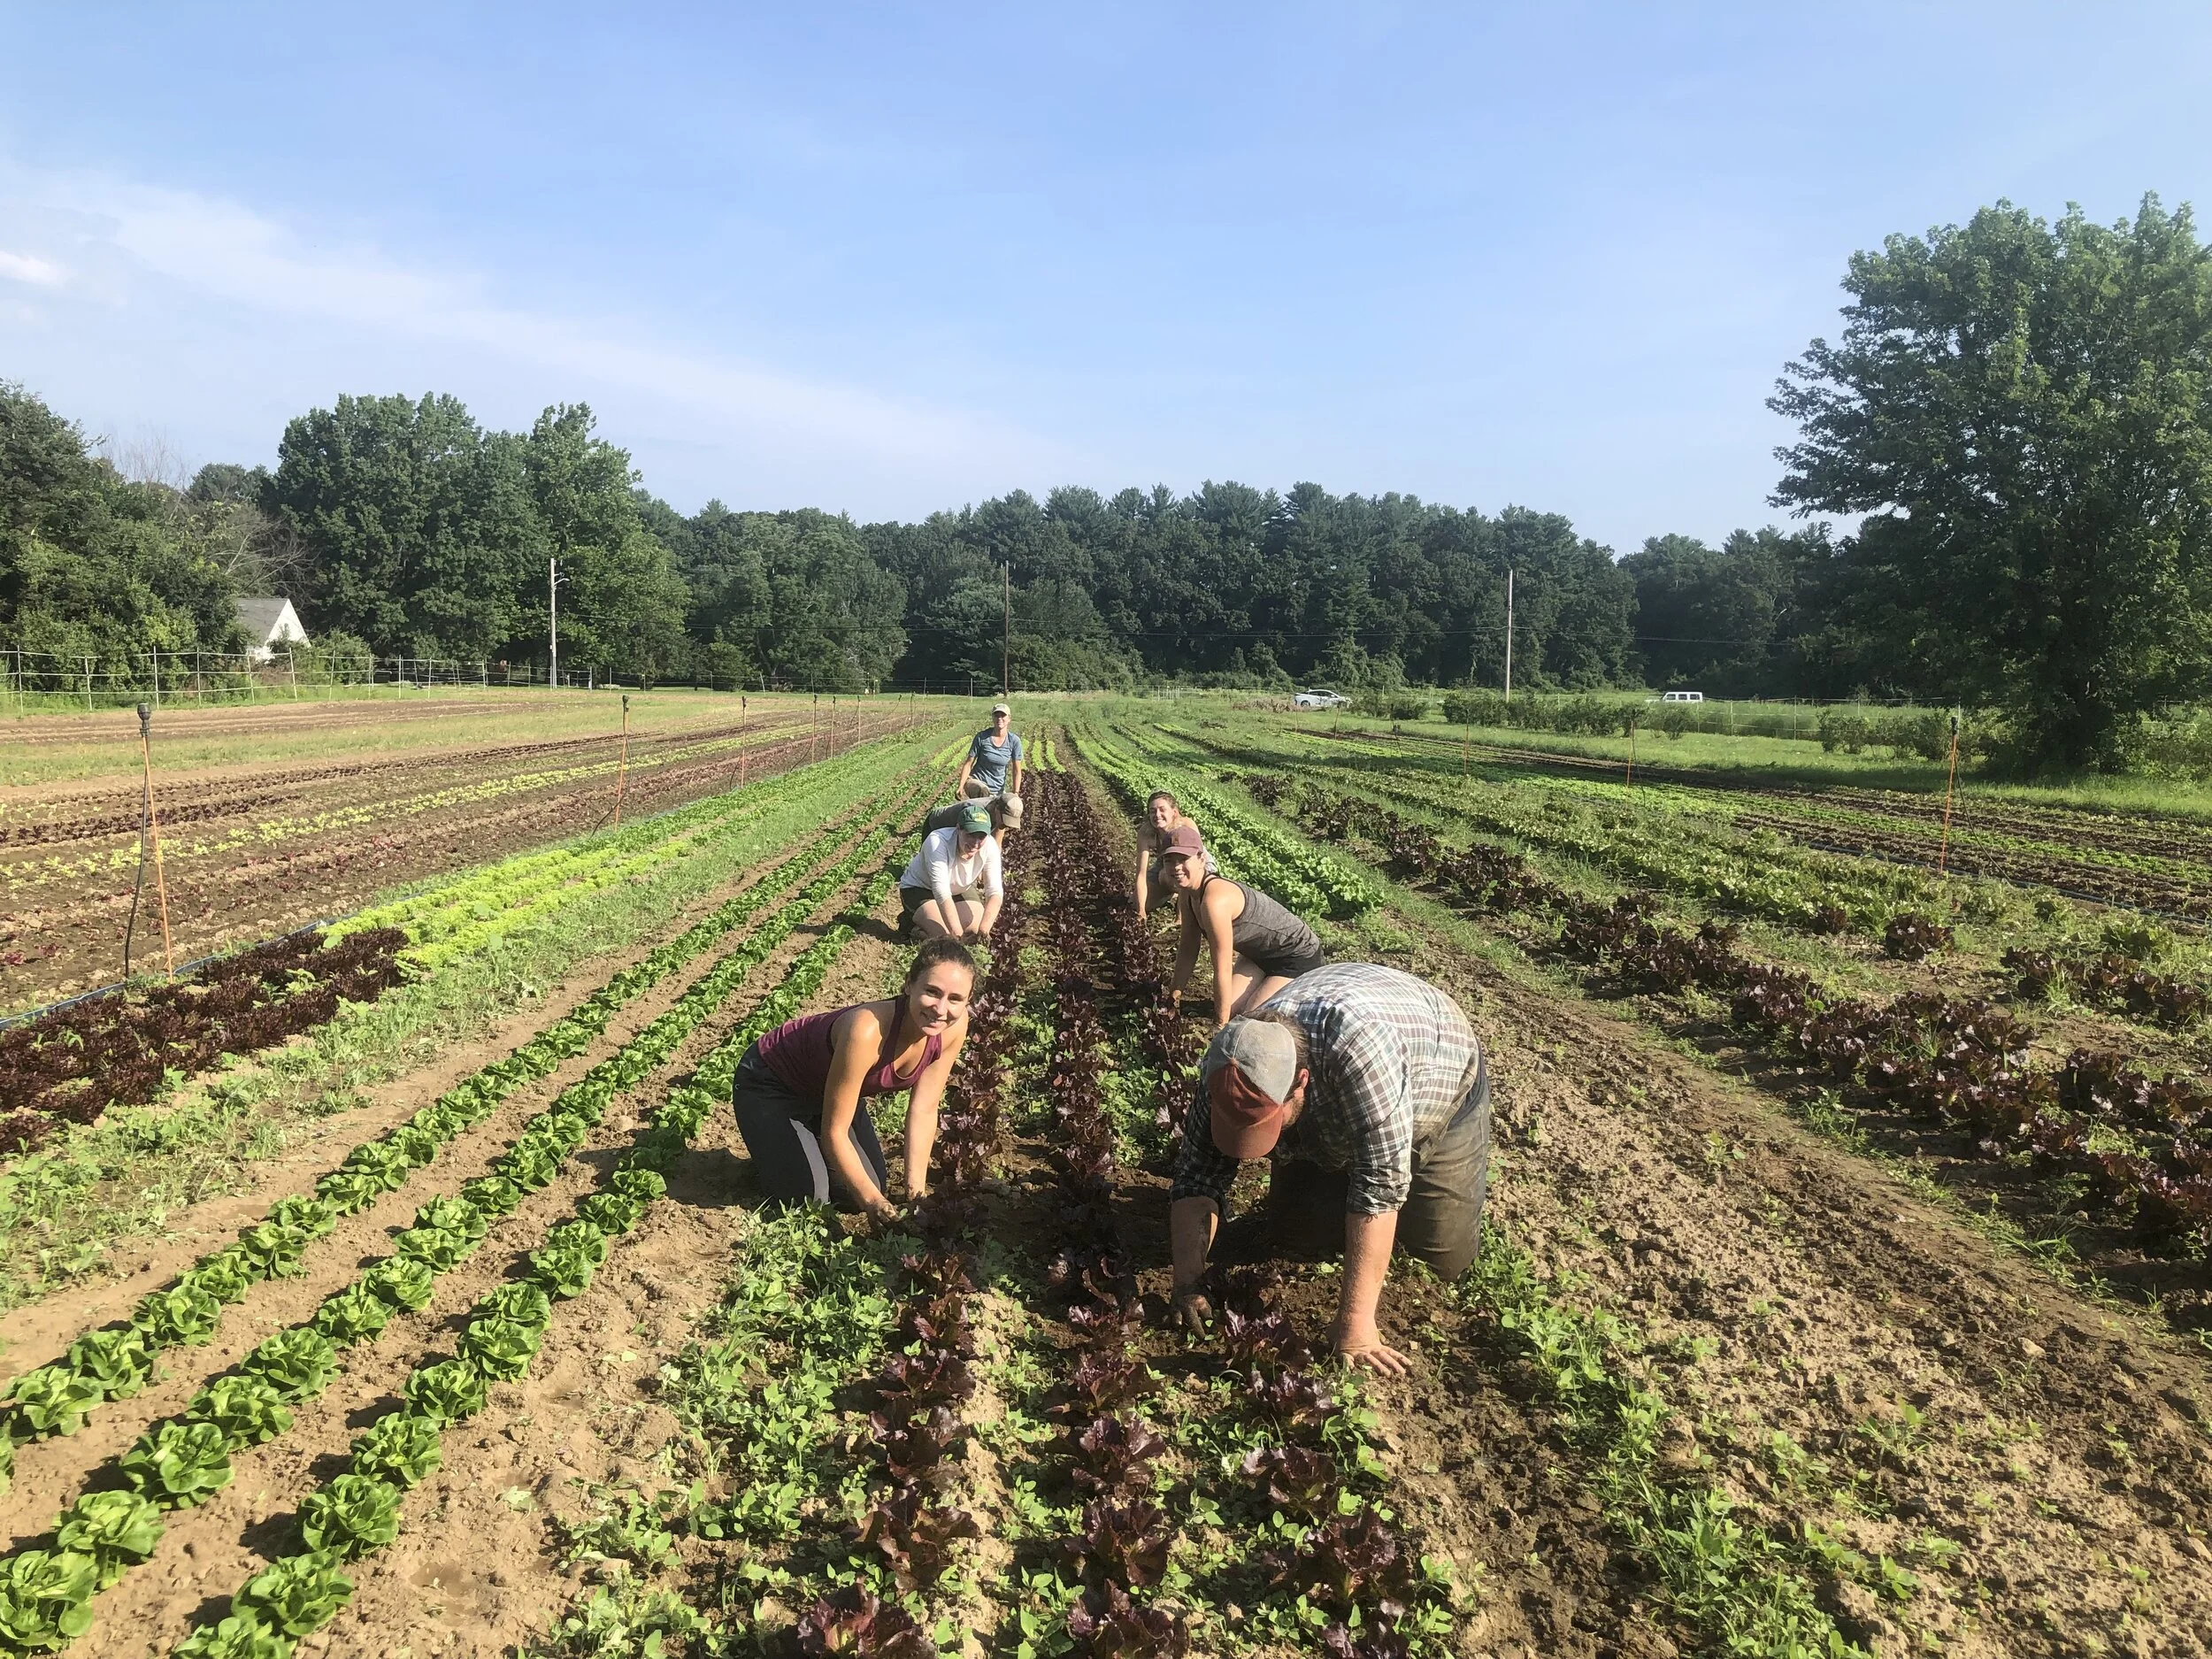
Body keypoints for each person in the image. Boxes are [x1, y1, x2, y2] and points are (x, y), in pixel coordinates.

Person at [1167, 964, 1491, 1376]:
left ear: (1300, 1082)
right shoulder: (1228, 1063)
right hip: (1331, 1110)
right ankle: (1332, 1169)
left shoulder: (1361, 1055)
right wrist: (1187, 1284)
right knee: (1296, 1238)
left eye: (1263, 1122)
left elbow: (1379, 1188)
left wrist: (1355, 1329)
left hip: (1439, 1076)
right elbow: (1198, 1176)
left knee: (1441, 1261)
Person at [731, 938, 976, 1217]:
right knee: (809, 1200)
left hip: (828, 1092)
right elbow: (835, 1131)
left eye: (955, 999)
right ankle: (776, 1152)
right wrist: (875, 1205)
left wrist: (915, 1195)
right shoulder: (867, 1030)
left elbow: (924, 1108)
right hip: (772, 1083)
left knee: (866, 1188)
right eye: (932, 992)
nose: (941, 1009)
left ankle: (797, 1146)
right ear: (909, 984)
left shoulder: (952, 1028)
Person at [1159, 826, 1325, 1027]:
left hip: (1295, 955)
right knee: (1230, 1007)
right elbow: (1187, 949)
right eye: (1169, 860)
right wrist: (1173, 999)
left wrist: (1219, 1025)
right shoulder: (1187, 895)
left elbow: (1222, 966)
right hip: (1257, 954)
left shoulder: (1215, 901)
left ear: (1201, 859)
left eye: (1183, 859)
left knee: (1249, 1020)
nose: (1176, 867)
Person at [898, 801, 1003, 943]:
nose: (976, 843)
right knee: (947, 937)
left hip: (957, 890)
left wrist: (984, 931)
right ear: (958, 829)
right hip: (921, 888)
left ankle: (932, 923)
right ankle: (911, 926)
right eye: (971, 834)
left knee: (973, 930)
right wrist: (958, 938)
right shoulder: (937, 842)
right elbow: (941, 892)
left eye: (981, 836)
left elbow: (995, 892)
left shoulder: (990, 845)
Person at [1133, 790, 1214, 921]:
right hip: (1165, 863)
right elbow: (1141, 874)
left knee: (1202, 906)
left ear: (1174, 812)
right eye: (1152, 811)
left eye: (1162, 810)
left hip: (1194, 865)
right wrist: (1141, 911)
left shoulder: (1186, 825)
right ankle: (1171, 893)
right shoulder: (1146, 833)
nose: (1157, 815)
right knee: (1135, 902)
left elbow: (1191, 867)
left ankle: (1184, 902)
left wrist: (1180, 918)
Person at [956, 703, 1025, 810]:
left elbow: (1017, 770)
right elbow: (969, 763)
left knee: (1008, 812)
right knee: (983, 793)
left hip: (998, 789)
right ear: (992, 718)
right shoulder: (982, 737)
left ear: (1009, 719)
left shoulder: (1014, 741)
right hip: (976, 782)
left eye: (1003, 715)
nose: (999, 718)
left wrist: (1016, 793)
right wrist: (961, 785)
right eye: (996, 715)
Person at [924, 790, 1023, 849]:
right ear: (997, 809)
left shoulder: (999, 812)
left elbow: (996, 844)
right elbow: (961, 841)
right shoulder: (975, 812)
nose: (1005, 825)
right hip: (936, 825)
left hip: (956, 829)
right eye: (1005, 821)